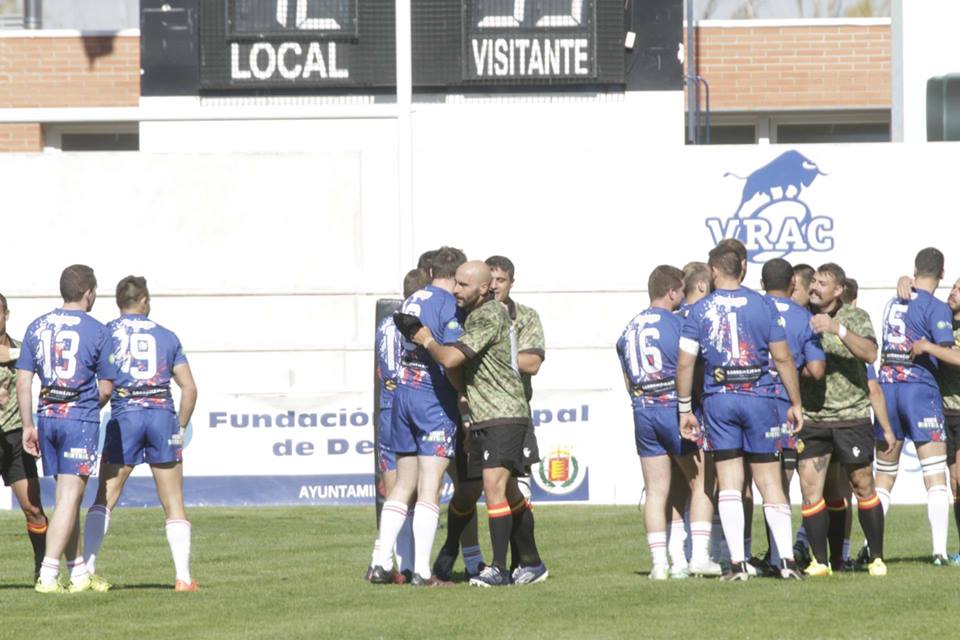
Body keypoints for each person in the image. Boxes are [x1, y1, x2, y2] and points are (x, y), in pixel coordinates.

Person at [413, 261, 544, 587]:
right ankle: (532, 562)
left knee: (493, 487)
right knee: (508, 490)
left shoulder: (488, 315)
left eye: (463, 285)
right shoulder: (475, 315)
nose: (456, 290)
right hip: (486, 415)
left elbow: (450, 358)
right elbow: (458, 372)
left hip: (503, 413)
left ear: (483, 289)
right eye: (455, 283)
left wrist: (426, 339)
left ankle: (498, 568)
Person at [677, 246, 804, 581]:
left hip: (720, 400)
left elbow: (686, 363)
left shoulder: (700, 309)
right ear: (741, 269)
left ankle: (737, 565)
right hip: (760, 398)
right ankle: (787, 562)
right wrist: (795, 402)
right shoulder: (763, 304)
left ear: (714, 271)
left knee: (730, 482)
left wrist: (685, 408)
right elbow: (783, 357)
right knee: (769, 480)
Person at [80, 276, 200, 592]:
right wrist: (180, 427)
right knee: (173, 500)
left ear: (119, 302)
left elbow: (93, 380)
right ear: (144, 300)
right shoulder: (166, 336)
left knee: (106, 496)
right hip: (161, 416)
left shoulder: (105, 334)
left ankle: (87, 570)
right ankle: (183, 578)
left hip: (125, 416)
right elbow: (189, 389)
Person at [369, 247, 466, 586]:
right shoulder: (446, 303)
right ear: (455, 275)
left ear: (430, 272)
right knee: (430, 485)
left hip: (402, 395)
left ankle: (382, 562)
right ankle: (422, 571)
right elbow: (449, 356)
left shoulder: (412, 300)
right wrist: (461, 391)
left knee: (402, 484)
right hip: (430, 398)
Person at [16, 265, 113, 593]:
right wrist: (86, 406)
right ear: (89, 292)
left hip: (47, 418)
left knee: (65, 498)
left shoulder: (37, 326)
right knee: (70, 497)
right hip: (78, 420)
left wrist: (28, 425)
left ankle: (79, 573)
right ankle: (48, 573)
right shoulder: (98, 331)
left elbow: (23, 381)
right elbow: (106, 389)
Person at [617, 265, 716, 579]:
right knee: (702, 481)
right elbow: (690, 367)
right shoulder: (678, 323)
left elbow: (626, 376)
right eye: (680, 292)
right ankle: (699, 556)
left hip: (643, 410)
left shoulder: (629, 328)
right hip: (673, 408)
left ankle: (661, 564)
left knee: (656, 491)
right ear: (673, 292)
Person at [798, 263, 893, 577]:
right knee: (811, 489)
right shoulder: (800, 315)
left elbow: (870, 353)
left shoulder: (855, 316)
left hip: (851, 416)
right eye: (813, 281)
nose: (815, 287)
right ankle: (821, 562)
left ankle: (876, 557)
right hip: (813, 418)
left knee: (862, 484)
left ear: (838, 290)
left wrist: (835, 328)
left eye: (822, 283)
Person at [874, 248, 957, 565]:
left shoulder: (893, 301)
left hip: (887, 389)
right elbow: (945, 352)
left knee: (884, 477)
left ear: (915, 269)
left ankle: (873, 550)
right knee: (934, 475)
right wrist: (928, 346)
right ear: (942, 273)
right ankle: (939, 552)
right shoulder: (936, 307)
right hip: (918, 390)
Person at [758, 259, 825, 571]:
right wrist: (794, 371)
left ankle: (757, 555)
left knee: (751, 482)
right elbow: (817, 369)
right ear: (793, 284)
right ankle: (783, 556)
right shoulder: (803, 318)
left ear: (762, 283)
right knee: (781, 482)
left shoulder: (752, 309)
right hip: (785, 406)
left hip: (752, 401)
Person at [368, 267, 431, 583]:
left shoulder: (384, 323)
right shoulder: (417, 324)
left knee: (394, 489)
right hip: (408, 402)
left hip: (387, 405)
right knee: (414, 487)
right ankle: (410, 566)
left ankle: (382, 560)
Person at [907, 277, 960, 563]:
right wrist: (906, 282)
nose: (954, 292)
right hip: (942, 410)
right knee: (953, 482)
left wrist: (927, 347)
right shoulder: (940, 317)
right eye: (954, 286)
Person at [0, 293, 49, 581]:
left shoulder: (21, 350)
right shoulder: (20, 353)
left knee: (33, 509)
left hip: (16, 437)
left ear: (6, 314)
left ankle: (44, 567)